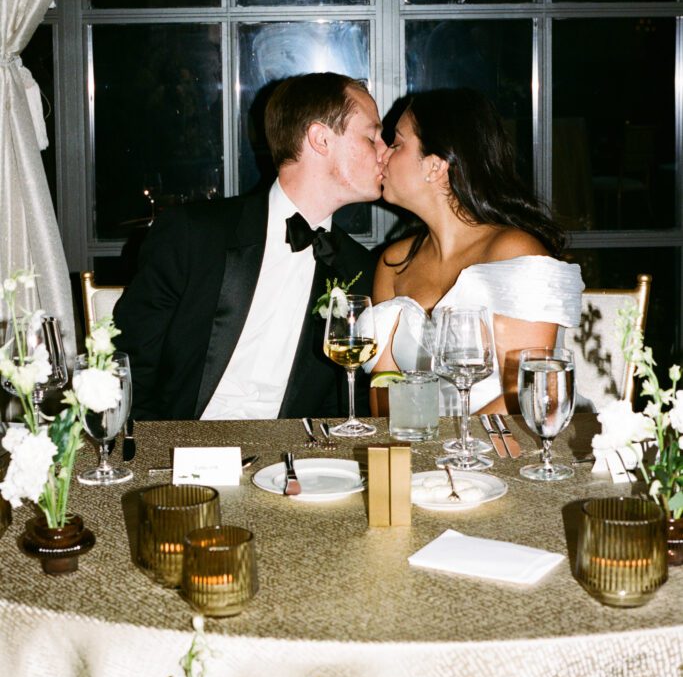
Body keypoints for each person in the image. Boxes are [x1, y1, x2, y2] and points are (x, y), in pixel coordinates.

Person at [115, 73, 386, 420]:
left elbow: (343, 405)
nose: (385, 152)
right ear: (321, 139)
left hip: (290, 451)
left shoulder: (357, 269)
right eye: (372, 137)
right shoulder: (193, 236)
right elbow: (128, 369)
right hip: (182, 444)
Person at [370, 88, 583, 414]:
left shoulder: (515, 254)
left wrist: (452, 441)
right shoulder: (393, 263)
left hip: (502, 441)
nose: (382, 155)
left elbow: (528, 393)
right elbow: (383, 383)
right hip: (418, 443)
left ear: (435, 166)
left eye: (396, 144)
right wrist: (401, 441)